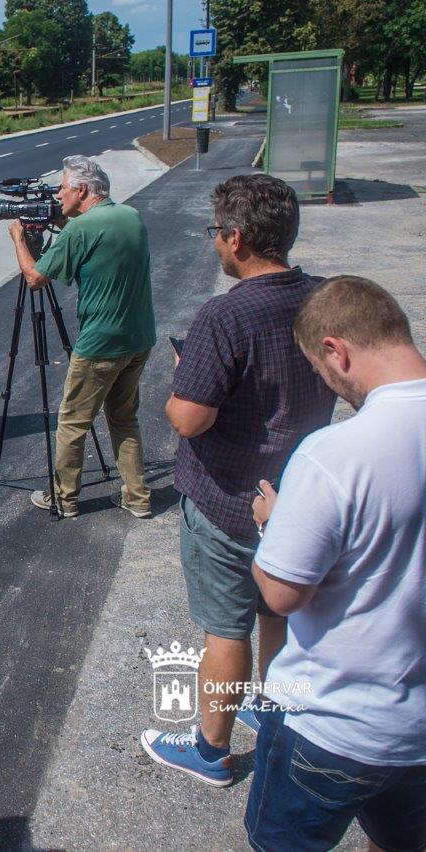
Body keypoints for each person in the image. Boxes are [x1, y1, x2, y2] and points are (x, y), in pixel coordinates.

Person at [141, 174, 336, 787]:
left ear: (237, 238)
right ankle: (272, 712)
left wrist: (183, 379)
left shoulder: (224, 315)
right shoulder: (325, 298)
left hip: (227, 501)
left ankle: (211, 751)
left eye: (215, 235)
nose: (215, 246)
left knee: (226, 629)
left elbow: (190, 418)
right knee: (276, 613)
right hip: (294, 499)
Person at [244, 276, 426, 850]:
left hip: (331, 724)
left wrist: (273, 524)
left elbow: (282, 594)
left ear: (336, 351)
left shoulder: (335, 453)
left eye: (321, 372)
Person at [9, 154, 156, 518]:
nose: (58, 195)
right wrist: (65, 223)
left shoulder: (80, 230)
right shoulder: (131, 217)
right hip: (138, 337)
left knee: (72, 422)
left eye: (62, 187)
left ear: (82, 189)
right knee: (124, 418)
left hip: (100, 343)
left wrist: (18, 238)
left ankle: (65, 498)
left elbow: (35, 278)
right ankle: (138, 498)